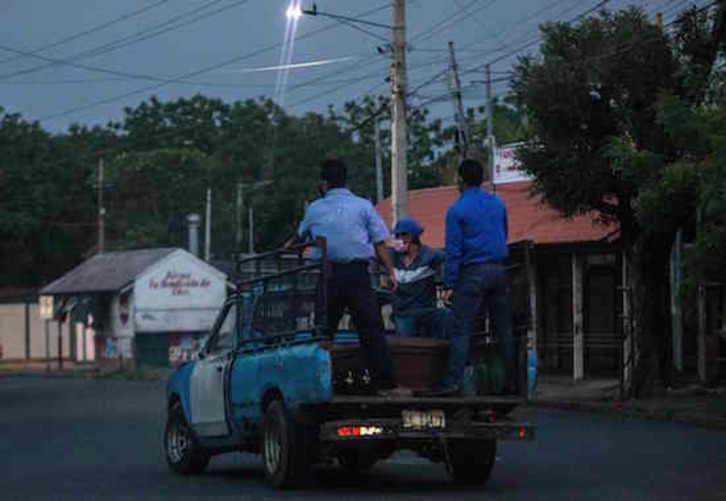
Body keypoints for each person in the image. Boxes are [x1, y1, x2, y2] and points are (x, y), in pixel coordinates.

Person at [292, 159, 397, 391]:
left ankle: (320, 382)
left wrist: (285, 252)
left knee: (324, 330)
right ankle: (384, 381)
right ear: (346, 181)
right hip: (357, 274)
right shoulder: (363, 206)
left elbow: (298, 240)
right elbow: (380, 245)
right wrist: (390, 272)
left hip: (327, 274)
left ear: (324, 184)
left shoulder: (314, 209)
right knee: (371, 328)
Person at [422, 158, 516, 396]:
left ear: (461, 181)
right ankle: (511, 383)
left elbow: (454, 252)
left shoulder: (457, 210)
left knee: (461, 328)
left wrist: (450, 284)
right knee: (503, 328)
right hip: (499, 269)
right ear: (482, 179)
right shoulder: (498, 204)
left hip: (474, 272)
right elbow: (503, 234)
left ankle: (453, 382)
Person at [389, 217, 448, 339]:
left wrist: (449, 286)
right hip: (402, 312)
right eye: (396, 236)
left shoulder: (430, 255)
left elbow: (452, 259)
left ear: (410, 237)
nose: (396, 240)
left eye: (398, 237)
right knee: (406, 347)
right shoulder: (392, 256)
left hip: (425, 311)